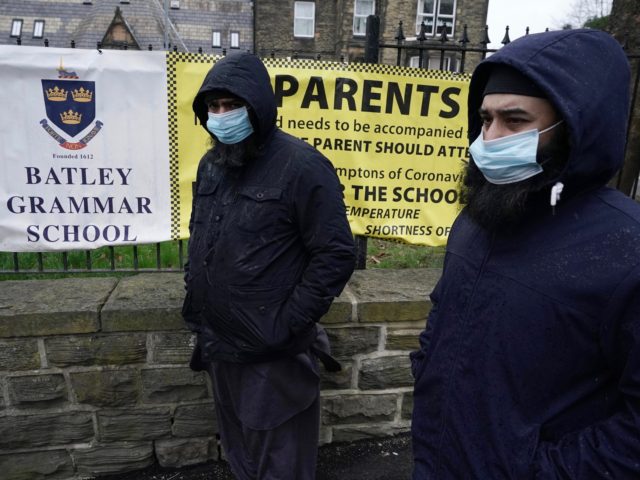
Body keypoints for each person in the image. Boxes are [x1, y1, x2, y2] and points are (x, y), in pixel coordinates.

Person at [411, 29, 640, 478]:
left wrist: (539, 470)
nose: (490, 140)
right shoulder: (477, 219)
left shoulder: (626, 249)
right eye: (485, 119)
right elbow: (443, 316)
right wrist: (427, 374)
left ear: (574, 128)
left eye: (514, 122)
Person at [182, 52, 355, 480]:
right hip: (220, 344)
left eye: (232, 105)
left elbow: (335, 253)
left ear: (258, 105)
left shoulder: (302, 166)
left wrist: (285, 323)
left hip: (273, 357)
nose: (221, 116)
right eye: (214, 107)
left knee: (280, 464)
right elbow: (202, 234)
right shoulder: (212, 165)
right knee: (240, 454)